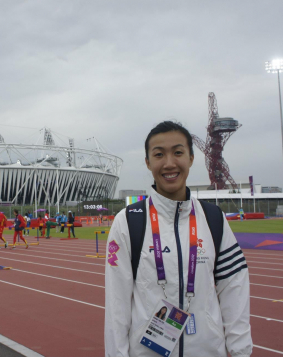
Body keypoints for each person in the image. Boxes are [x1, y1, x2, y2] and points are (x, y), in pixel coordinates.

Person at [105, 121, 252, 357]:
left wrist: (240, 352)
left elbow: (234, 289)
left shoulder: (213, 219)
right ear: (148, 162)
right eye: (159, 154)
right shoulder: (128, 222)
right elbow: (116, 306)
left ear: (191, 158)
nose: (169, 163)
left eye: (178, 152)